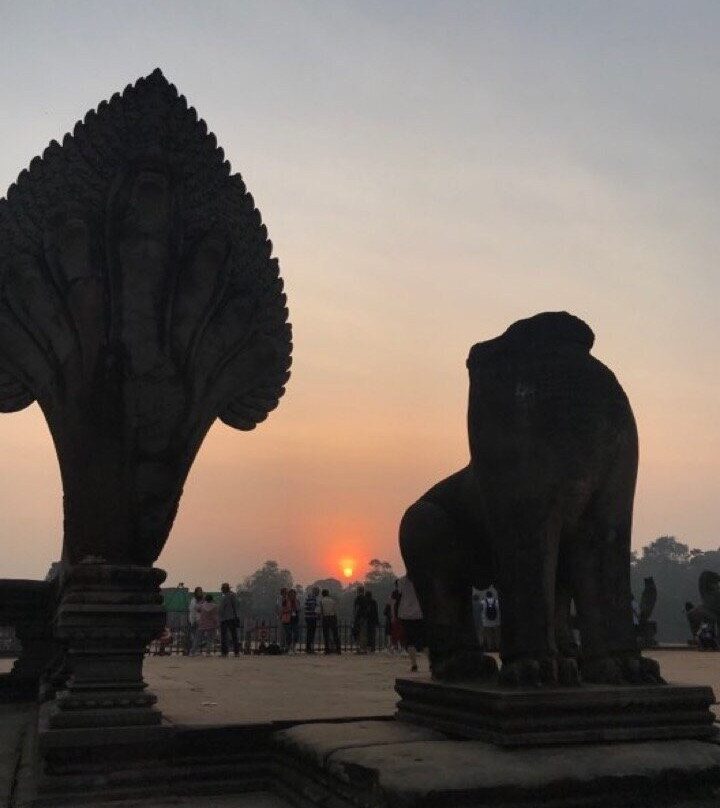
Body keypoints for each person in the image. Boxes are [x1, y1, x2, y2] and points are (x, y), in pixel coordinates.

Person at [397, 574, 425, 672]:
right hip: (419, 612)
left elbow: (398, 595)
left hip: (406, 613)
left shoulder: (402, 581)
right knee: (424, 640)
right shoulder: (422, 579)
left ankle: (414, 664)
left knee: (410, 640)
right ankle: (430, 663)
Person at [219, 582, 240, 657]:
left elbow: (221, 608)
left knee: (225, 636)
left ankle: (225, 652)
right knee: (233, 635)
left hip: (226, 618)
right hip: (231, 617)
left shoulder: (226, 597)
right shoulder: (232, 596)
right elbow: (236, 606)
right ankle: (236, 651)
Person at [320, 588, 341, 654]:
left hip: (325, 617)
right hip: (332, 617)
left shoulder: (322, 601)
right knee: (335, 633)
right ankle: (338, 649)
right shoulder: (332, 601)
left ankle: (327, 649)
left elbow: (321, 611)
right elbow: (335, 611)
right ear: (328, 594)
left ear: (322, 594)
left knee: (326, 634)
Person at [280, 588, 300, 653]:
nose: (292, 596)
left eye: (294, 595)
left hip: (295, 619)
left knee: (296, 633)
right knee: (288, 634)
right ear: (289, 595)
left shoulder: (297, 601)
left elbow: (299, 608)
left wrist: (297, 610)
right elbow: (282, 610)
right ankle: (289, 648)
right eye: (291, 595)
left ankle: (294, 647)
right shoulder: (285, 601)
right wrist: (289, 610)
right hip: (287, 619)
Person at [304, 586, 321, 653]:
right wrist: (318, 614)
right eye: (318, 591)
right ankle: (309, 648)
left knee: (310, 633)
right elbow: (313, 608)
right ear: (315, 591)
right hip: (311, 617)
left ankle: (309, 647)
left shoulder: (310, 597)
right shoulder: (312, 598)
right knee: (311, 633)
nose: (318, 593)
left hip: (309, 617)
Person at [353, 585, 369, 653]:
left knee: (358, 633)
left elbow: (356, 608)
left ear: (358, 591)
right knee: (364, 633)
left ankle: (359, 648)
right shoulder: (366, 598)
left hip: (359, 617)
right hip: (365, 617)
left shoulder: (358, 598)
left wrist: (354, 616)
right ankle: (364, 648)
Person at [188, 586, 203, 652]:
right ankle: (193, 650)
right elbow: (192, 611)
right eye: (199, 591)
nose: (200, 593)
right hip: (195, 620)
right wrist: (192, 621)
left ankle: (195, 650)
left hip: (200, 620)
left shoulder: (202, 600)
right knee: (195, 636)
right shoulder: (193, 600)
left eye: (201, 591)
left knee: (198, 636)